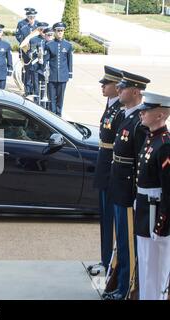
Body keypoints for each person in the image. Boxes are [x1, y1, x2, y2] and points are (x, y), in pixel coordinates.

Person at [104, 71, 150, 300]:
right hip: (118, 187)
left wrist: (135, 194)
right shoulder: (127, 116)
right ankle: (119, 284)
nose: (118, 90)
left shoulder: (139, 123)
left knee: (128, 243)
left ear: (135, 91)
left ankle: (126, 290)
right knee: (121, 241)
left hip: (128, 191)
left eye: (123, 88)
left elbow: (140, 164)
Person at [88, 66, 125, 277]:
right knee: (105, 218)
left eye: (107, 83)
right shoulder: (112, 106)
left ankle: (112, 260)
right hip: (105, 166)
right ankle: (105, 258)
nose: (102, 86)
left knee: (113, 218)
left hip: (111, 168)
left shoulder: (120, 109)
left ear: (117, 87)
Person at [135, 91, 170, 300]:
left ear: (160, 115)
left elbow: (168, 189)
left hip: (155, 213)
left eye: (147, 111)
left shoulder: (164, 144)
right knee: (146, 266)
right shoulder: (151, 139)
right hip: (145, 210)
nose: (142, 114)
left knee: (156, 269)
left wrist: (162, 222)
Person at [44, 22, 73, 116]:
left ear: (64, 31)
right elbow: (45, 60)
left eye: (61, 30)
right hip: (52, 75)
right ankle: (53, 115)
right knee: (52, 98)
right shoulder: (49, 45)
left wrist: (70, 74)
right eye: (58, 30)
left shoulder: (68, 45)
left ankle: (59, 115)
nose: (60, 32)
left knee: (60, 98)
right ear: (54, 31)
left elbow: (70, 60)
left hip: (63, 76)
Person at [28, 22, 49, 104]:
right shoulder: (33, 40)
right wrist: (34, 53)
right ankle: (37, 104)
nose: (43, 31)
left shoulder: (49, 40)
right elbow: (30, 53)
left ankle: (45, 105)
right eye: (41, 29)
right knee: (36, 87)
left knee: (46, 88)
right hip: (36, 67)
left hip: (45, 68)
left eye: (44, 30)